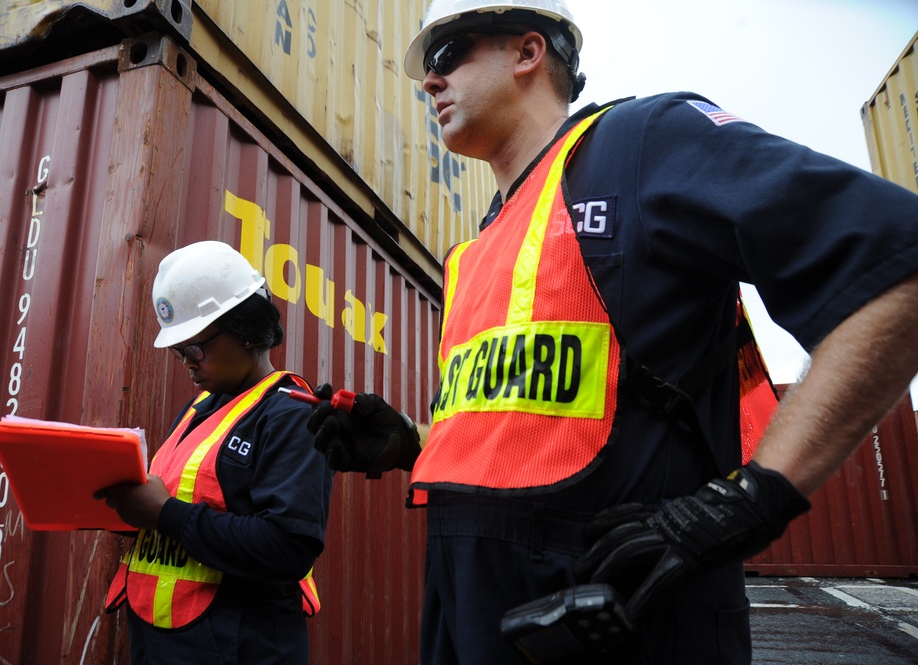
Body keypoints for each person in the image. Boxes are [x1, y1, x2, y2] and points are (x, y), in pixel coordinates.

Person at [305, 0, 918, 663]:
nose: (429, 80)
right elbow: (535, 429)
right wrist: (411, 444)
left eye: (447, 55)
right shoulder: (479, 244)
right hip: (470, 610)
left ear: (526, 52)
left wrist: (750, 500)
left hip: (616, 615)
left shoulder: (641, 142)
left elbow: (895, 270)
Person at [95, 240, 333, 665]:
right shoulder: (198, 409)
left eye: (195, 349)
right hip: (162, 647)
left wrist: (165, 514)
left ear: (246, 331)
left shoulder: (290, 414)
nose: (186, 363)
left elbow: (287, 548)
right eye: (178, 352)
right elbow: (180, 508)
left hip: (239, 649)